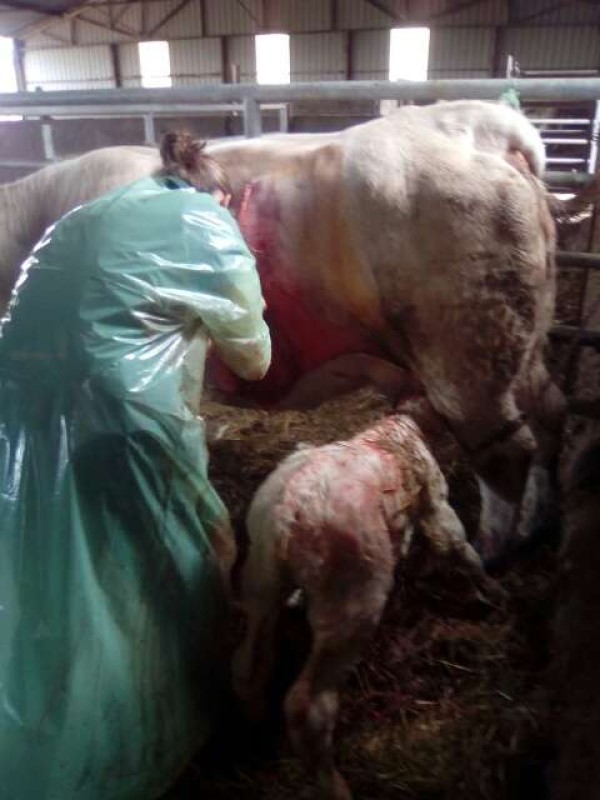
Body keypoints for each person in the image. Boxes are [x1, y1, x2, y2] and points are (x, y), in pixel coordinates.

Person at [0, 132, 271, 800]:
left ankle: (47, 696)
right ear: (220, 196)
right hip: (122, 418)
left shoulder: (84, 216)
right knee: (179, 556)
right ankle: (162, 726)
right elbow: (254, 360)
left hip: (20, 416)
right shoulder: (209, 224)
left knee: (55, 563)